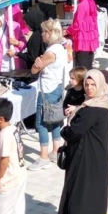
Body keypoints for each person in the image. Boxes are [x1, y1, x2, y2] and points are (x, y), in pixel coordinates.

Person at [57, 70, 108, 214]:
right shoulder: (101, 104)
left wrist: (64, 130)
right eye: (87, 85)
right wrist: (78, 109)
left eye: (93, 85)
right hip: (97, 158)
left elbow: (73, 132)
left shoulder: (91, 110)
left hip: (85, 158)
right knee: (93, 196)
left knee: (78, 195)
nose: (89, 88)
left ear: (100, 85)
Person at [30, 19, 69, 169]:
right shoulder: (61, 47)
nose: (41, 35)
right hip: (57, 86)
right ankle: (55, 150)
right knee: (55, 119)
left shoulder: (50, 52)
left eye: (43, 32)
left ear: (48, 33)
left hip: (46, 89)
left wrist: (37, 63)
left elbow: (34, 70)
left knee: (41, 123)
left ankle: (44, 156)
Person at [68, 0, 99, 70]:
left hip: (82, 39)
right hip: (89, 39)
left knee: (81, 67)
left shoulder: (82, 5)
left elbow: (77, 24)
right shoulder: (90, 0)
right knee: (88, 64)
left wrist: (67, 31)